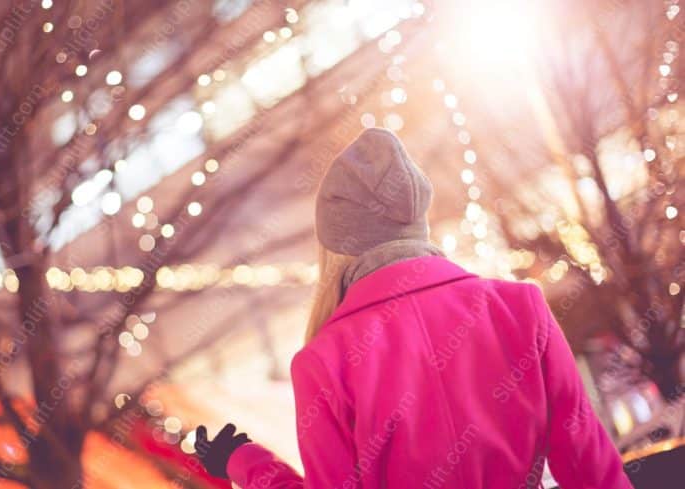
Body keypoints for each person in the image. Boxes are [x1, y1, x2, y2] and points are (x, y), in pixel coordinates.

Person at [193, 128, 633, 488]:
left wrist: (247, 465)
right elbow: (589, 464)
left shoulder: (323, 362)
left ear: (337, 247)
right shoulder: (518, 307)